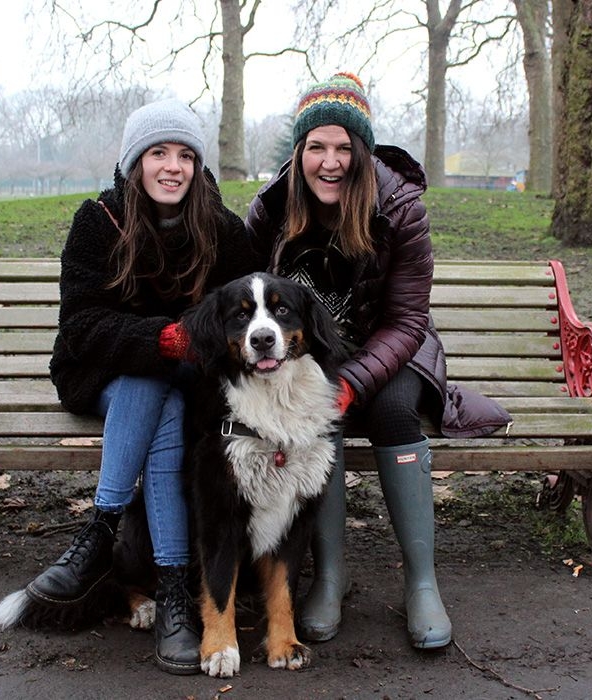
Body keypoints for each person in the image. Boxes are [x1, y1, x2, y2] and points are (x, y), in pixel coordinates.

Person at [30, 98, 256, 674]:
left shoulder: (225, 233)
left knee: (170, 403)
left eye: (185, 154)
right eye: (159, 152)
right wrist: (162, 340)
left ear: (198, 166)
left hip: (189, 384)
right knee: (147, 379)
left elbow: (238, 325)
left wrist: (180, 349)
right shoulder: (97, 221)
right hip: (101, 374)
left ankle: (100, 541)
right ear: (136, 162)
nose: (172, 166)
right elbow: (80, 327)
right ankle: (172, 590)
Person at [244, 72, 452, 649]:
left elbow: (409, 320)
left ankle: (422, 583)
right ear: (299, 152)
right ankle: (331, 577)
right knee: (313, 412)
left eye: (343, 147)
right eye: (316, 147)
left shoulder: (400, 208)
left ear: (361, 150)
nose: (330, 162)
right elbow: (243, 291)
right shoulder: (271, 209)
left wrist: (353, 382)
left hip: (392, 348)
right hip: (311, 357)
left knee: (390, 413)